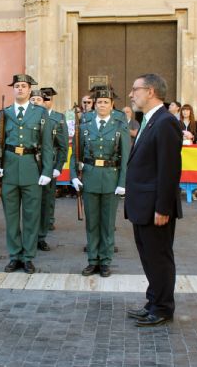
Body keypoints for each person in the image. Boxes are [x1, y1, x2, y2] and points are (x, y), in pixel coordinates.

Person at [125, 73, 182, 327]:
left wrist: (163, 207)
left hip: (155, 207)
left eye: (135, 89)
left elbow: (169, 169)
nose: (131, 94)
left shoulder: (165, 122)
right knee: (148, 256)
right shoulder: (149, 120)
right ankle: (153, 301)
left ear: (150, 92)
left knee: (159, 257)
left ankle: (162, 307)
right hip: (142, 205)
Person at [0, 74, 53, 274]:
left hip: (31, 168)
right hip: (9, 169)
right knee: (11, 216)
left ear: (29, 90)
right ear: (13, 89)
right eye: (16, 86)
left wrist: (46, 170)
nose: (20, 89)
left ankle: (28, 257)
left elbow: (47, 145)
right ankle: (14, 255)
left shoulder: (40, 113)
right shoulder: (4, 113)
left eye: (23, 86)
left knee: (31, 216)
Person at [71, 85, 130, 277]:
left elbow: (125, 157)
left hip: (111, 178)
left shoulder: (120, 126)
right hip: (90, 177)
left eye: (106, 102)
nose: (102, 105)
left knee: (107, 223)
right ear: (94, 105)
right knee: (92, 223)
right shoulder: (85, 126)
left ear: (112, 105)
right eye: (99, 102)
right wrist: (73, 176)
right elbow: (76, 154)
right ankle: (92, 260)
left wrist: (123, 183)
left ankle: (105, 261)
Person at [38, 87, 68, 244]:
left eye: (47, 99)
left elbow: (63, 146)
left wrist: (58, 166)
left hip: (51, 161)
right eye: (42, 99)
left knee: (48, 196)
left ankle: (48, 221)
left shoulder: (58, 118)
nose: (44, 102)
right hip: (34, 162)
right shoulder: (33, 116)